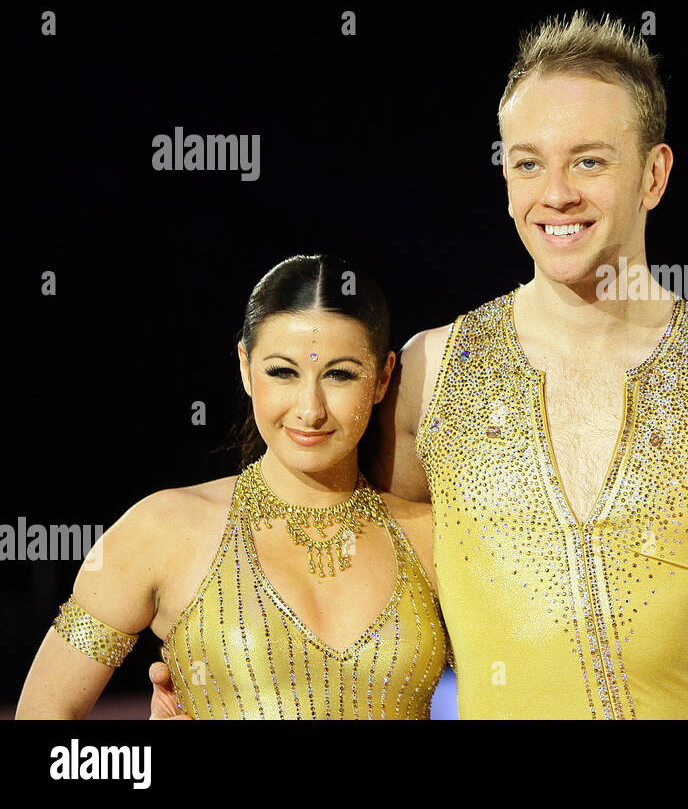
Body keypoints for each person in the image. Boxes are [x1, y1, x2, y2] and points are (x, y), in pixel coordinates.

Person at [348, 12, 688, 719]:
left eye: (590, 161)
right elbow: (346, 548)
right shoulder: (430, 370)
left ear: (654, 174)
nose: (557, 193)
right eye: (528, 162)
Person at [18, 255, 446, 719]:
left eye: (340, 375)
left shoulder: (433, 537)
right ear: (245, 366)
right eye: (282, 372)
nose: (310, 410)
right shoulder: (164, 529)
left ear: (382, 377)